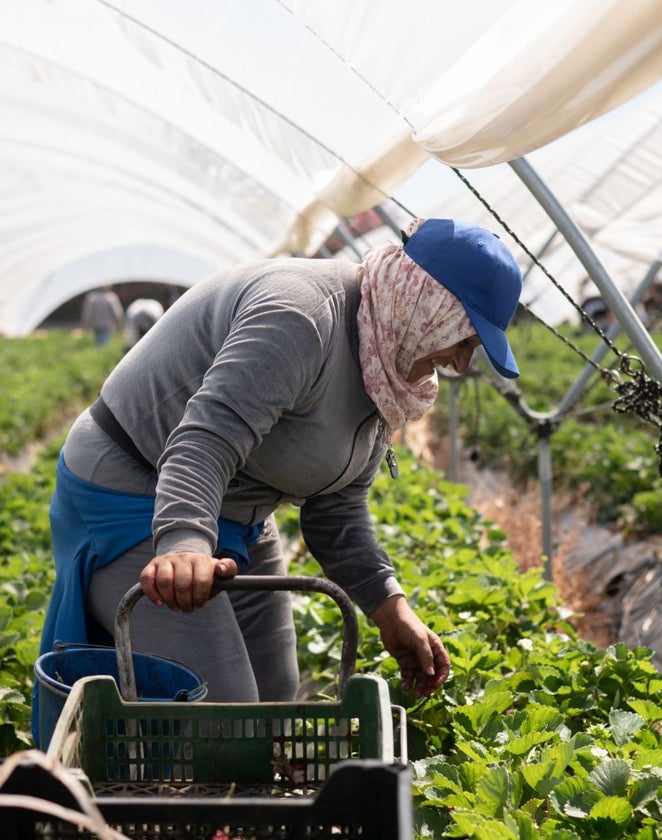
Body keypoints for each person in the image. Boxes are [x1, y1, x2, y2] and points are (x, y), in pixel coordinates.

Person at [34, 217, 522, 740]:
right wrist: (183, 544)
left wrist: (388, 606)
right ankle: (188, 814)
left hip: (239, 506)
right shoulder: (301, 317)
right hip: (133, 489)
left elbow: (335, 508)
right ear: (429, 305)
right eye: (464, 337)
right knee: (226, 711)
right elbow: (205, 441)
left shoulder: (386, 362)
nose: (462, 362)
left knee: (275, 688)